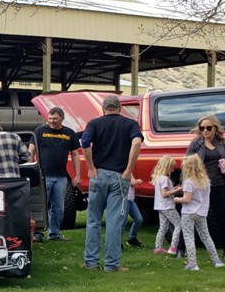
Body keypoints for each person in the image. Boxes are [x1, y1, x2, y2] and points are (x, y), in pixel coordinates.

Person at [81, 94, 143, 272]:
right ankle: (111, 264)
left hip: (98, 174)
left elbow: (85, 142)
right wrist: (129, 170)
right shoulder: (130, 124)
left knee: (93, 220)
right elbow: (137, 142)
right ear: (120, 108)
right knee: (115, 221)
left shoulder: (94, 123)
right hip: (119, 176)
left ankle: (91, 262)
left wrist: (91, 167)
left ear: (103, 108)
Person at [185, 114, 225, 259]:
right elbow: (187, 161)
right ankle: (181, 248)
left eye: (208, 128)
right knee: (191, 216)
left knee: (222, 218)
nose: (205, 131)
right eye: (202, 128)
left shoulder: (224, 143)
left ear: (215, 128)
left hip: (219, 186)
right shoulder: (196, 143)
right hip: (200, 186)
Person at [33, 107, 81, 241]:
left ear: (62, 118)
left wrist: (77, 175)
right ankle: (38, 234)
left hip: (61, 177)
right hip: (43, 176)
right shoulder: (40, 131)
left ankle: (55, 234)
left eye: (55, 119)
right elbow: (31, 151)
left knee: (59, 207)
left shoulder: (69, 133)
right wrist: (31, 169)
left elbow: (75, 155)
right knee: (42, 206)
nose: (52, 121)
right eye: (50, 118)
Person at [174, 154, 225, 271]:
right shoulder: (205, 181)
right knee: (206, 236)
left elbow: (187, 199)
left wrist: (176, 199)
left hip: (189, 212)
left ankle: (193, 263)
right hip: (202, 212)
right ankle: (216, 260)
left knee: (189, 237)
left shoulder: (188, 182)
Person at [150, 155, 182, 255]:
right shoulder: (165, 179)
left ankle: (158, 247)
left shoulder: (158, 178)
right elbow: (164, 194)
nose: (173, 170)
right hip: (167, 206)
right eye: (171, 167)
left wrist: (172, 189)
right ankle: (173, 247)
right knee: (179, 224)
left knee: (163, 226)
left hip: (159, 206)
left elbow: (163, 192)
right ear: (166, 167)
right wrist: (177, 190)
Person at [124, 175, 144, 247]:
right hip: (125, 198)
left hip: (131, 199)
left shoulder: (130, 171)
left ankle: (132, 238)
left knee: (138, 219)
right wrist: (137, 181)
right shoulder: (124, 169)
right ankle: (117, 241)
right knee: (123, 221)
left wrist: (135, 181)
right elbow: (132, 182)